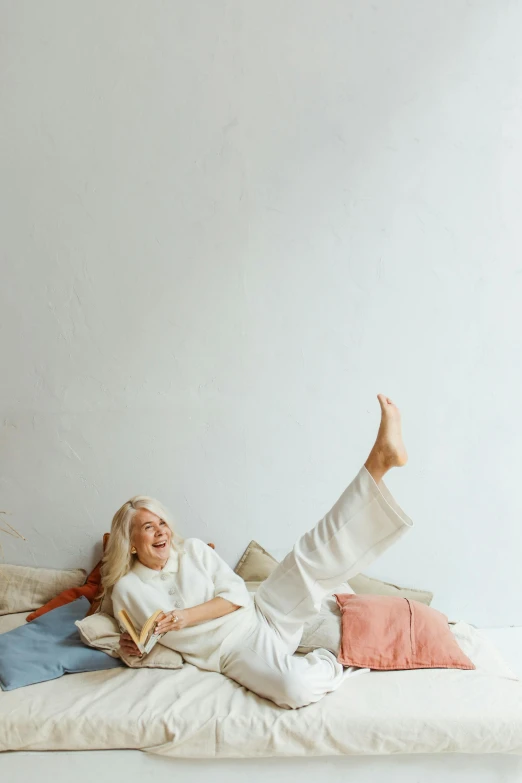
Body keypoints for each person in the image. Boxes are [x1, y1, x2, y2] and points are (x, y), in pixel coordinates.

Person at [101, 393, 412, 709]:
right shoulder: (127, 590)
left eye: (162, 523)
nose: (161, 532)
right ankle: (338, 661)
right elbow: (142, 641)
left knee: (309, 556)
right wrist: (133, 648)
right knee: (294, 689)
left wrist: (184, 617)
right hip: (233, 651)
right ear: (132, 544)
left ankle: (378, 462)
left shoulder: (193, 551)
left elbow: (236, 596)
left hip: (261, 610)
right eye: (148, 528)